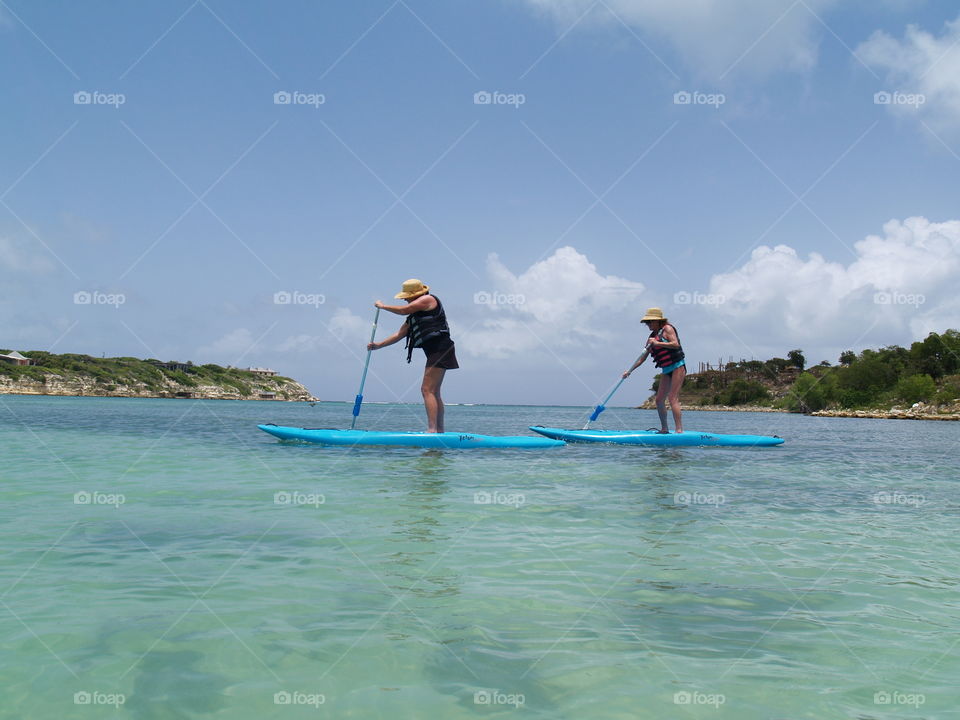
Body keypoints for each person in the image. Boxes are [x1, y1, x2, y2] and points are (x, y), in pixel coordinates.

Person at [367, 279, 459, 433]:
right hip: (436, 350)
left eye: (406, 296)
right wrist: (378, 345)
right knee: (434, 391)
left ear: (415, 294)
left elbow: (404, 310)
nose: (404, 299)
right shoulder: (414, 316)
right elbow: (399, 334)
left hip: (441, 348)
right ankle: (439, 430)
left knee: (426, 389)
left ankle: (432, 430)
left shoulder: (428, 299)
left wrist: (382, 307)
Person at [621, 307, 686, 433]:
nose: (648, 324)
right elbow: (642, 358)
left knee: (672, 398)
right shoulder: (651, 337)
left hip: (678, 366)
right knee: (659, 399)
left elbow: (675, 344)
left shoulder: (668, 329)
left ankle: (679, 431)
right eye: (647, 322)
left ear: (658, 321)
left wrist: (657, 343)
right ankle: (664, 429)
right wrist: (629, 371)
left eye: (650, 321)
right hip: (666, 369)